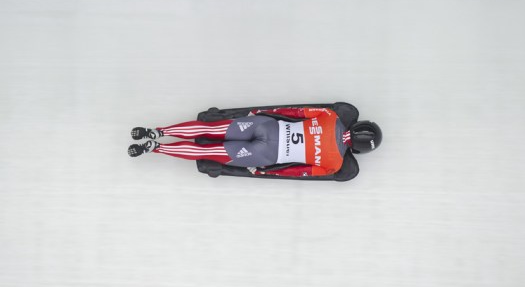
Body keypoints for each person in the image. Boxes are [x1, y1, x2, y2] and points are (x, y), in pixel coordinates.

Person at [128, 107, 381, 177]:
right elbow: (296, 171)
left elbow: (293, 111)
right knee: (211, 150)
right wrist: (263, 170)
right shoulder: (335, 165)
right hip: (266, 155)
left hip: (268, 127)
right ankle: (157, 148)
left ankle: (159, 131)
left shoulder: (331, 116)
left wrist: (261, 114)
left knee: (212, 129)